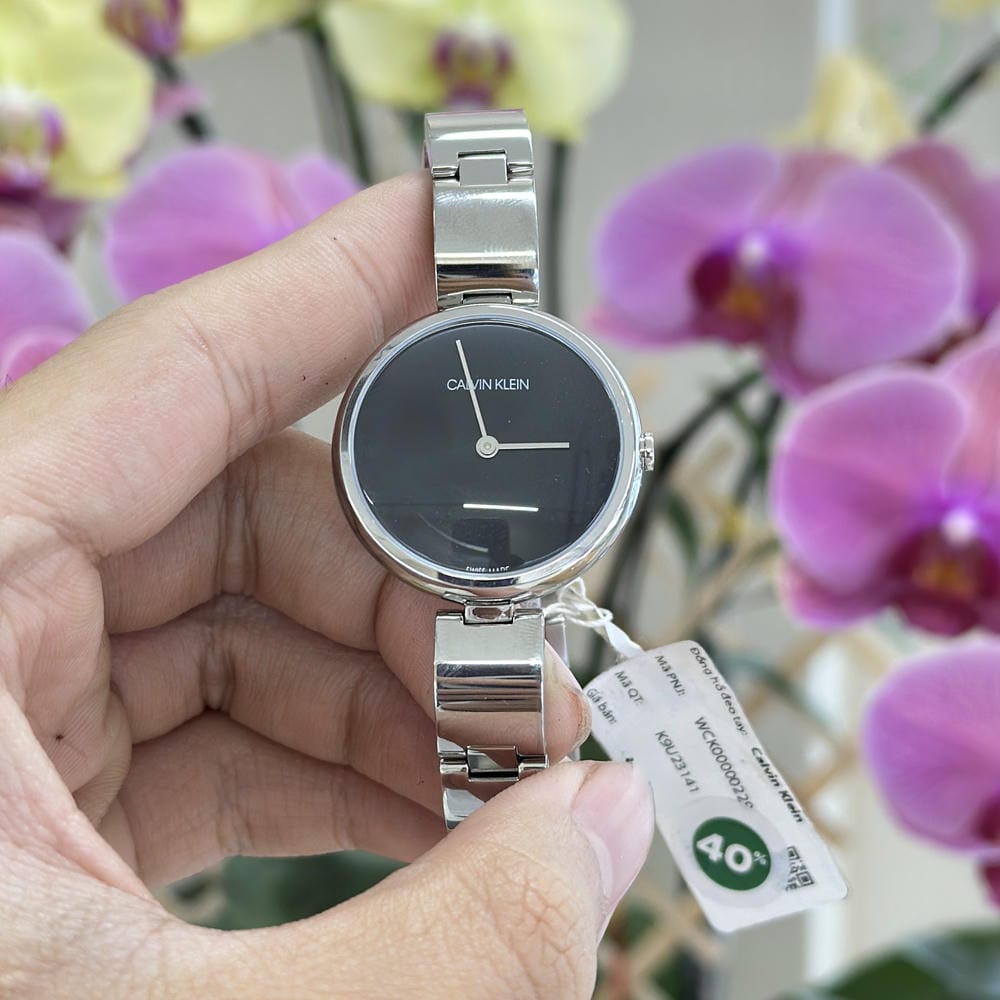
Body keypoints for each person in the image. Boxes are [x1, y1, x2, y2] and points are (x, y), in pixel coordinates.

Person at [0, 172, 654, 999]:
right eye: (475, 441)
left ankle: (511, 816)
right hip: (451, 578)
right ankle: (514, 816)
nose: (484, 449)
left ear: (634, 456)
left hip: (491, 581)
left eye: (492, 443)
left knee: (507, 774)